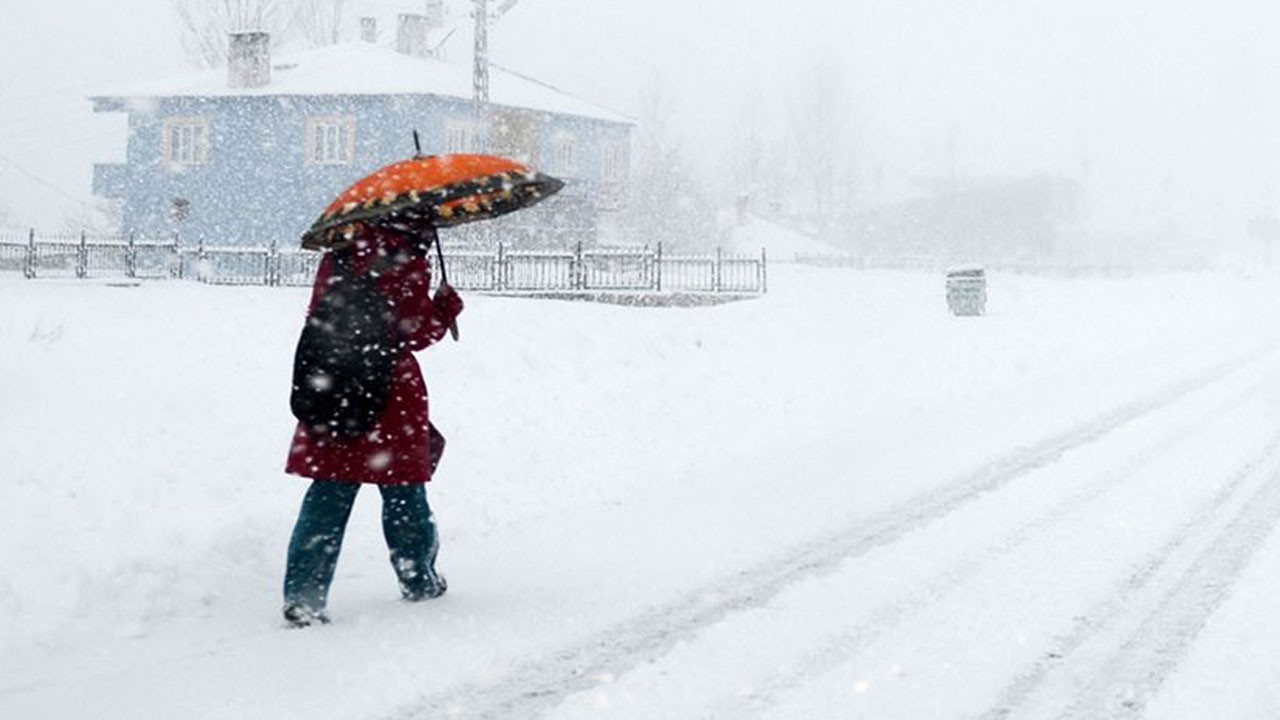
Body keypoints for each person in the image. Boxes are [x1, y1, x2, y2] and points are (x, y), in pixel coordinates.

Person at [281, 224, 463, 627]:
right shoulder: (406, 260)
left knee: (329, 492)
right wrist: (445, 309)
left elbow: (319, 314)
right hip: (388, 391)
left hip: (336, 383)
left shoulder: (340, 252)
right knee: (404, 493)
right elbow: (414, 332)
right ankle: (419, 579)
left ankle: (304, 596)